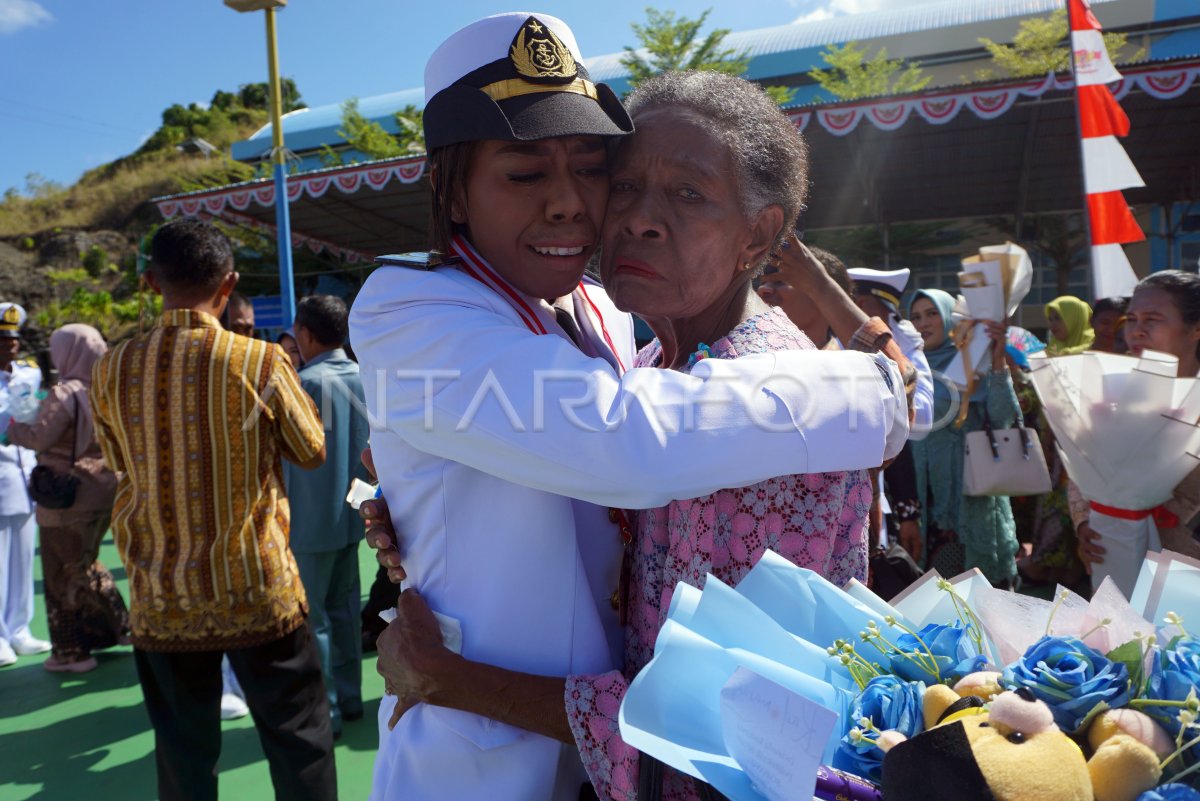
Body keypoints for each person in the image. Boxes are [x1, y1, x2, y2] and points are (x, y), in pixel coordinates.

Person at [351, 14, 911, 801]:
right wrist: (871, 387)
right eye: (523, 173)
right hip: (479, 763)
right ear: (450, 189)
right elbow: (627, 439)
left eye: (590, 169)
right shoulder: (411, 306)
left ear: (759, 235)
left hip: (602, 754)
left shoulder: (605, 312)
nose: (570, 204)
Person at [89, 219, 336, 801]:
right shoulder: (260, 363)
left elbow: (122, 461)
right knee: (299, 740)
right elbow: (312, 452)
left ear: (151, 282)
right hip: (258, 589)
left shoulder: (110, 369)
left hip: (161, 596)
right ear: (228, 285)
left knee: (183, 755)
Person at [8, 324, 129, 673]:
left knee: (62, 571)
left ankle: (71, 652)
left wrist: (11, 430)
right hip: (105, 489)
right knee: (87, 561)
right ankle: (120, 626)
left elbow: (41, 439)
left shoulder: (65, 393)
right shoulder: (108, 390)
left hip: (67, 495)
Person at [1076, 270, 1200, 584]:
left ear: (1195, 329)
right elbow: (1081, 470)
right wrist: (1084, 523)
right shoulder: (1112, 390)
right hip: (1117, 555)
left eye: (1152, 320)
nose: (1137, 331)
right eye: (1131, 319)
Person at [286, 294, 371, 738]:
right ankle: (352, 698)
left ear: (305, 334)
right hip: (356, 516)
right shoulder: (365, 378)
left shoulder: (301, 384)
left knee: (313, 619)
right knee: (344, 611)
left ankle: (329, 709)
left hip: (307, 521)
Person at [905, 288, 1020, 587]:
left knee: (975, 595)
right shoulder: (906, 366)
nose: (923, 323)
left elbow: (1003, 418)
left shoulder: (970, 362)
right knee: (930, 596)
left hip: (969, 497)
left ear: (949, 318)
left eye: (932, 314)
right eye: (915, 316)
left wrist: (997, 359)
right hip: (921, 495)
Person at [0, 302, 49, 667]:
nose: (12, 346)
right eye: (4, 340)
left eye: (14, 339)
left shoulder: (28, 375)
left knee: (22, 559)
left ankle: (19, 628)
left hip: (25, 478)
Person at [756, 243, 852, 349]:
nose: (762, 290)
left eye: (780, 281)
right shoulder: (744, 361)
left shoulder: (855, 364)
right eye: (762, 283)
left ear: (828, 299)